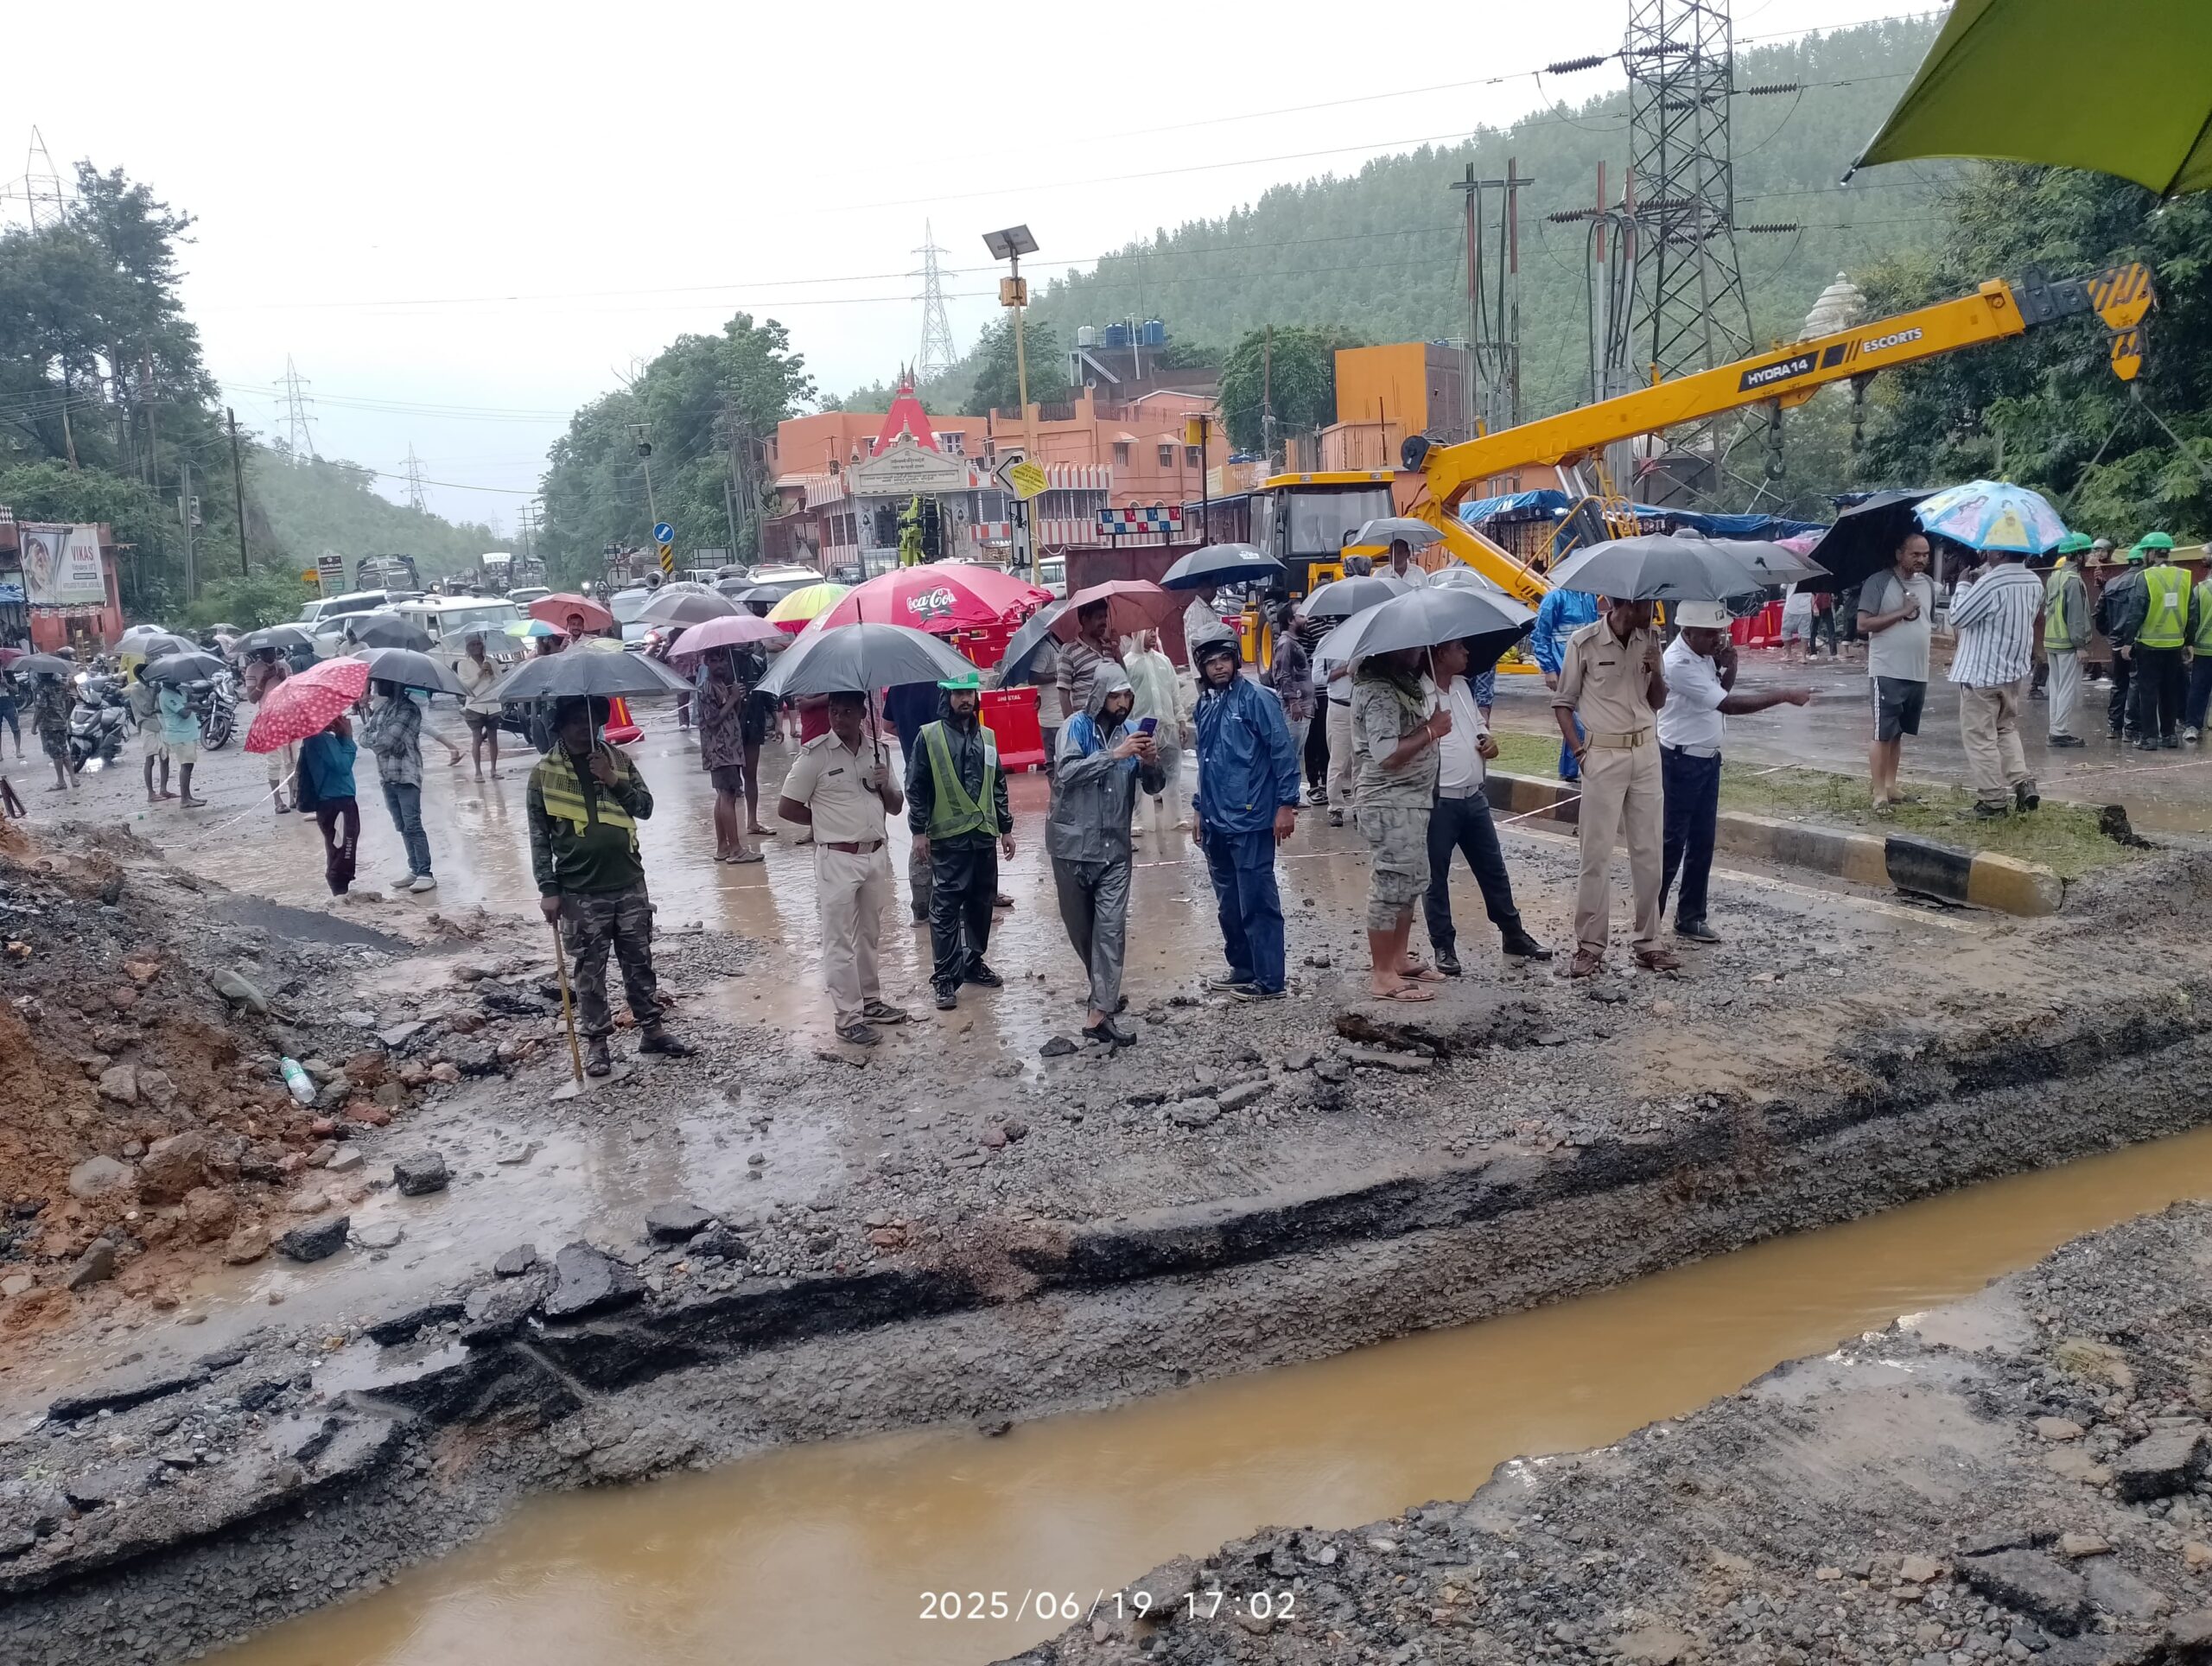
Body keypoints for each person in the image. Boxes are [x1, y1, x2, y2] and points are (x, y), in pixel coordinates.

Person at [528, 695, 693, 1075]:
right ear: (560, 727)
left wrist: (612, 779)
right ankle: (598, 1044)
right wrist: (547, 890)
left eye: (590, 722)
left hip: (629, 881)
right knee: (590, 970)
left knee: (639, 962)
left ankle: (652, 1031)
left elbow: (646, 808)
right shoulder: (543, 774)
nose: (584, 730)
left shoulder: (618, 760)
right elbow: (539, 837)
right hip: (579, 890)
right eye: (575, 723)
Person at [1656, 603, 1812, 944]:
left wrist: (1731, 666)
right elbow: (1728, 704)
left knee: (1702, 843)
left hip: (1706, 759)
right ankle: (1650, 918)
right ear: (1689, 632)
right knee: (1671, 844)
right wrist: (1784, 695)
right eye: (1711, 634)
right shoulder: (1679, 663)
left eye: (1719, 632)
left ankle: (1691, 917)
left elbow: (1721, 691)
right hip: (1681, 762)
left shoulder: (1701, 655)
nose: (1718, 639)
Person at [776, 689, 909, 1046]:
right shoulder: (815, 755)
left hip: (875, 854)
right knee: (839, 941)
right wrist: (823, 827)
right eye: (835, 711)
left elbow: (896, 807)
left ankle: (870, 1002)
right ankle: (847, 1017)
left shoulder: (878, 751)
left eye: (847, 711)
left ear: (862, 712)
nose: (839, 718)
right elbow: (786, 807)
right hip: (836, 857)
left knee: (869, 934)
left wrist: (884, 786)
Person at [1552, 595, 1675, 978]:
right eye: (1646, 606)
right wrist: (1579, 752)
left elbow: (1658, 702)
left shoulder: (1651, 639)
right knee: (1596, 854)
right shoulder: (1584, 642)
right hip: (1602, 754)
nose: (1651, 613)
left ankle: (1648, 942)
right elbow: (1563, 702)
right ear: (1625, 604)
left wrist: (1657, 671)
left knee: (1649, 850)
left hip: (1646, 752)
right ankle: (1590, 945)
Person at [1046, 667, 1163, 1046]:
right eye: (1116, 697)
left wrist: (1150, 763)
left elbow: (1155, 786)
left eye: (1127, 696)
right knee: (1082, 931)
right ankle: (1102, 988)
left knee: (1110, 930)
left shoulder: (1133, 734)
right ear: (1099, 696)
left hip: (1115, 850)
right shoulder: (1074, 729)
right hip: (1071, 849)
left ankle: (1100, 1012)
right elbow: (1065, 773)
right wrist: (1113, 756)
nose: (1123, 704)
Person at [1424, 637, 1550, 974]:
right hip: (1440, 800)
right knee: (1435, 876)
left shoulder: (1463, 686)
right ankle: (1444, 945)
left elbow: (1479, 727)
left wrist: (1488, 742)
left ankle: (1513, 934)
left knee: (1493, 869)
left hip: (1474, 796)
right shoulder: (1420, 693)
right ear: (1440, 652)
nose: (1466, 653)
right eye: (1459, 648)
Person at [1190, 626, 1300, 1001]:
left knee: (1258, 900)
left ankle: (1270, 981)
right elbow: (1204, 762)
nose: (1218, 667)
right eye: (1210, 662)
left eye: (1223, 659)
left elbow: (1282, 750)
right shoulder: (1204, 705)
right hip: (1216, 820)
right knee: (1228, 903)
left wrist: (1286, 804)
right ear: (1201, 668)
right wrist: (1198, 810)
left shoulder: (1257, 698)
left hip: (1252, 818)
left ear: (1236, 659)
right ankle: (1243, 967)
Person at [906, 671, 1014, 1013]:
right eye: (958, 693)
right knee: (946, 911)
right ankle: (944, 978)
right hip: (949, 839)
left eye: (969, 692)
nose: (965, 699)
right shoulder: (930, 737)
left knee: (982, 904)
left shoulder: (989, 738)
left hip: (983, 837)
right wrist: (918, 830)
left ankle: (972, 962)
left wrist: (1006, 827)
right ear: (947, 698)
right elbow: (917, 785)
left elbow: (997, 784)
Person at [1351, 645, 1448, 1002]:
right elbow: (1386, 752)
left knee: (1411, 881)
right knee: (1391, 883)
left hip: (1410, 801)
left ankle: (1398, 958)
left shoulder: (1400, 684)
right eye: (1411, 645)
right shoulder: (1378, 690)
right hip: (1388, 801)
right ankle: (1382, 975)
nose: (1420, 651)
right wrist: (1432, 731)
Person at [1947, 545, 2045, 817]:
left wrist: (1964, 585)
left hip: (1980, 673)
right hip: (2012, 671)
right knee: (2005, 728)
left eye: (1990, 549)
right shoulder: (2033, 581)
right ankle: (2022, 781)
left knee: (1981, 737)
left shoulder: (1991, 582)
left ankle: (1992, 801)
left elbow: (1958, 616)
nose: (1984, 553)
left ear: (2001, 554)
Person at [1859, 531, 1936, 810]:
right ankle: (1879, 793)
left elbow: (1927, 622)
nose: (1921, 559)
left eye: (1925, 554)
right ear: (1899, 554)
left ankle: (1891, 785)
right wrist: (1901, 612)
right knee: (1882, 731)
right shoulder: (1878, 582)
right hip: (1887, 669)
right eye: (1915, 554)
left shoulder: (1928, 584)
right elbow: (1863, 624)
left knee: (1899, 731)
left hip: (1917, 672)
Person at [362, 681, 436, 892]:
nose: (376, 687)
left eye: (380, 683)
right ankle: (414, 868)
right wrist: (376, 736)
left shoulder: (409, 710)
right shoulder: (382, 709)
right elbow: (363, 737)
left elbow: (386, 740)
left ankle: (425, 872)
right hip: (387, 775)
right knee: (402, 825)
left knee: (413, 824)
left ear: (394, 684)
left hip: (407, 774)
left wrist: (374, 736)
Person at [696, 650, 762, 864]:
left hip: (731, 748)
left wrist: (737, 698)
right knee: (728, 796)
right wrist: (733, 698)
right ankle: (735, 849)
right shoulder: (706, 688)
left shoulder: (724, 684)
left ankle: (723, 846)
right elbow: (712, 721)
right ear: (707, 663)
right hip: (720, 750)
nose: (719, 665)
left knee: (723, 795)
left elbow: (734, 713)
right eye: (714, 661)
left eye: (722, 660)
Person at [2127, 531, 2192, 749]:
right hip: (2175, 644)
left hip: (2149, 644)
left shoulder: (2144, 577)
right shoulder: (2184, 575)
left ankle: (2149, 738)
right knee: (2170, 691)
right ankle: (2169, 735)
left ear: (2152, 553)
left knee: (2148, 692)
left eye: (2145, 551)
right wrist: (2189, 641)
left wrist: (2127, 641)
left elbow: (2136, 611)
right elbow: (2191, 611)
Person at [883, 679, 941, 925]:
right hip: (941, 769)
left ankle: (921, 908)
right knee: (948, 835)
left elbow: (888, 725)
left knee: (920, 835)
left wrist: (912, 737)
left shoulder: (897, 687)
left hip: (912, 768)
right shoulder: (937, 686)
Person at [1530, 583, 1599, 782]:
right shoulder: (1555, 598)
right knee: (1579, 720)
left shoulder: (1588, 597)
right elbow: (1540, 634)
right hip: (1562, 668)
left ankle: (1569, 771)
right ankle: (1579, 764)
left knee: (1572, 718)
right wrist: (1549, 669)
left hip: (1584, 667)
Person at [1123, 626, 1184, 820]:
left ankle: (1174, 817)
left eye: (1154, 631)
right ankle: (1140, 820)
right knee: (1142, 775)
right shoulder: (1127, 664)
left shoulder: (1164, 661)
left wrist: (1181, 720)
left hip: (1168, 725)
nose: (1152, 635)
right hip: (1142, 728)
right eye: (1147, 631)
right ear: (1136, 634)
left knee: (1173, 772)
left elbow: (1174, 693)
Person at [297, 715, 360, 894]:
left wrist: (340, 736)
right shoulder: (321, 739)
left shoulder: (318, 738)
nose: (340, 717)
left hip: (332, 802)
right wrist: (348, 738)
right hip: (338, 802)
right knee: (344, 848)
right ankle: (340, 889)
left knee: (338, 846)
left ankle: (339, 888)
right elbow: (342, 766)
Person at [2043, 533, 2094, 748]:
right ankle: (2059, 732)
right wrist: (2080, 646)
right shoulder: (2073, 581)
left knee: (2056, 687)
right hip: (2068, 643)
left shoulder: (2055, 577)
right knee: (2068, 688)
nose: (2089, 557)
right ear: (2078, 555)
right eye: (2087, 553)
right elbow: (2075, 617)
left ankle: (2055, 727)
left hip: (2052, 640)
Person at [2094, 542, 2148, 740]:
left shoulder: (2112, 583)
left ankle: (2113, 727)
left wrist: (2110, 635)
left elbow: (2099, 613)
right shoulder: (2145, 581)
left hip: (2116, 641)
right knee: (2136, 683)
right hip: (2137, 640)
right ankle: (2131, 728)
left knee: (2119, 684)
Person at [1264, 602, 1317, 778]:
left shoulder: (1294, 642)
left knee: (1295, 755)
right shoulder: (1286, 644)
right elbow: (1282, 675)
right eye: (1301, 616)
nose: (1306, 620)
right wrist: (1293, 701)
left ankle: (1291, 796)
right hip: (1296, 709)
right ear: (1290, 620)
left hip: (1303, 707)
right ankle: (1285, 798)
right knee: (1290, 755)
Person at [240, 645, 296, 812]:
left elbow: (294, 692)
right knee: (273, 762)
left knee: (292, 760)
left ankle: (293, 797)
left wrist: (284, 678)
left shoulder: (284, 666)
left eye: (272, 651)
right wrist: (263, 681)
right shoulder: (253, 669)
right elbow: (252, 698)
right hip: (269, 719)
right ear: (259, 653)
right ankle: (277, 801)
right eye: (264, 651)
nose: (269, 654)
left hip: (287, 717)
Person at [1057, 599, 1122, 719]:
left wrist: (1117, 652)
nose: (1104, 622)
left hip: (1112, 721)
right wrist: (1072, 726)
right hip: (1087, 723)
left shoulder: (1109, 645)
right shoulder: (1069, 650)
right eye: (1098, 617)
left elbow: (1123, 680)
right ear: (1084, 620)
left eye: (1105, 617)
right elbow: (1063, 694)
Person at [454, 633, 504, 778]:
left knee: (493, 739)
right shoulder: (463, 664)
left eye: (478, 644)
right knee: (476, 739)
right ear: (467, 648)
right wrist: (481, 673)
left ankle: (494, 770)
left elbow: (501, 682)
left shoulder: (492, 662)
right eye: (472, 645)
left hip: (493, 705)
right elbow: (466, 686)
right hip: (474, 706)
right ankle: (478, 772)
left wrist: (491, 674)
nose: (476, 647)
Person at [156, 676, 204, 807]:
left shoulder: (180, 691)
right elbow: (184, 713)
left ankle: (188, 796)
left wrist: (191, 700)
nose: (177, 679)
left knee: (189, 765)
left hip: (188, 733)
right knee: (186, 765)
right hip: (180, 734)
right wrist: (191, 705)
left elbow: (193, 705)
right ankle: (184, 799)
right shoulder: (166, 695)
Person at [127, 664, 172, 804]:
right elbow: (147, 709)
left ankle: (163, 789)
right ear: (140, 676)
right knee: (150, 759)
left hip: (160, 723)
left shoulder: (155, 687)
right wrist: (154, 694)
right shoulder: (136, 690)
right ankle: (150, 793)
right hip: (147, 725)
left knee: (165, 758)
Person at [34, 671, 75, 798]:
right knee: (64, 750)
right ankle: (73, 779)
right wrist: (65, 716)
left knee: (56, 753)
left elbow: (41, 708)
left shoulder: (42, 687)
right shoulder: (61, 685)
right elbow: (71, 701)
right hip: (61, 723)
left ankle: (61, 781)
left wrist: (34, 724)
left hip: (48, 725)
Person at [2189, 560, 2212, 743]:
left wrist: (2188, 643)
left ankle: (2193, 726)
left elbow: (2193, 619)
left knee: (2198, 690)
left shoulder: (2200, 589)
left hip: (2204, 650)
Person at [1180, 583, 1223, 672]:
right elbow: (1196, 639)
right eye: (1210, 587)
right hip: (1203, 665)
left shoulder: (1207, 608)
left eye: (1215, 587)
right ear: (1201, 590)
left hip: (1214, 662)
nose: (1214, 591)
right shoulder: (1195, 611)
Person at [0, 662, 22, 762]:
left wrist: (6, 684)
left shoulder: (8, 674)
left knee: (15, 728)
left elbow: (16, 690)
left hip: (8, 702)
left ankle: (18, 750)